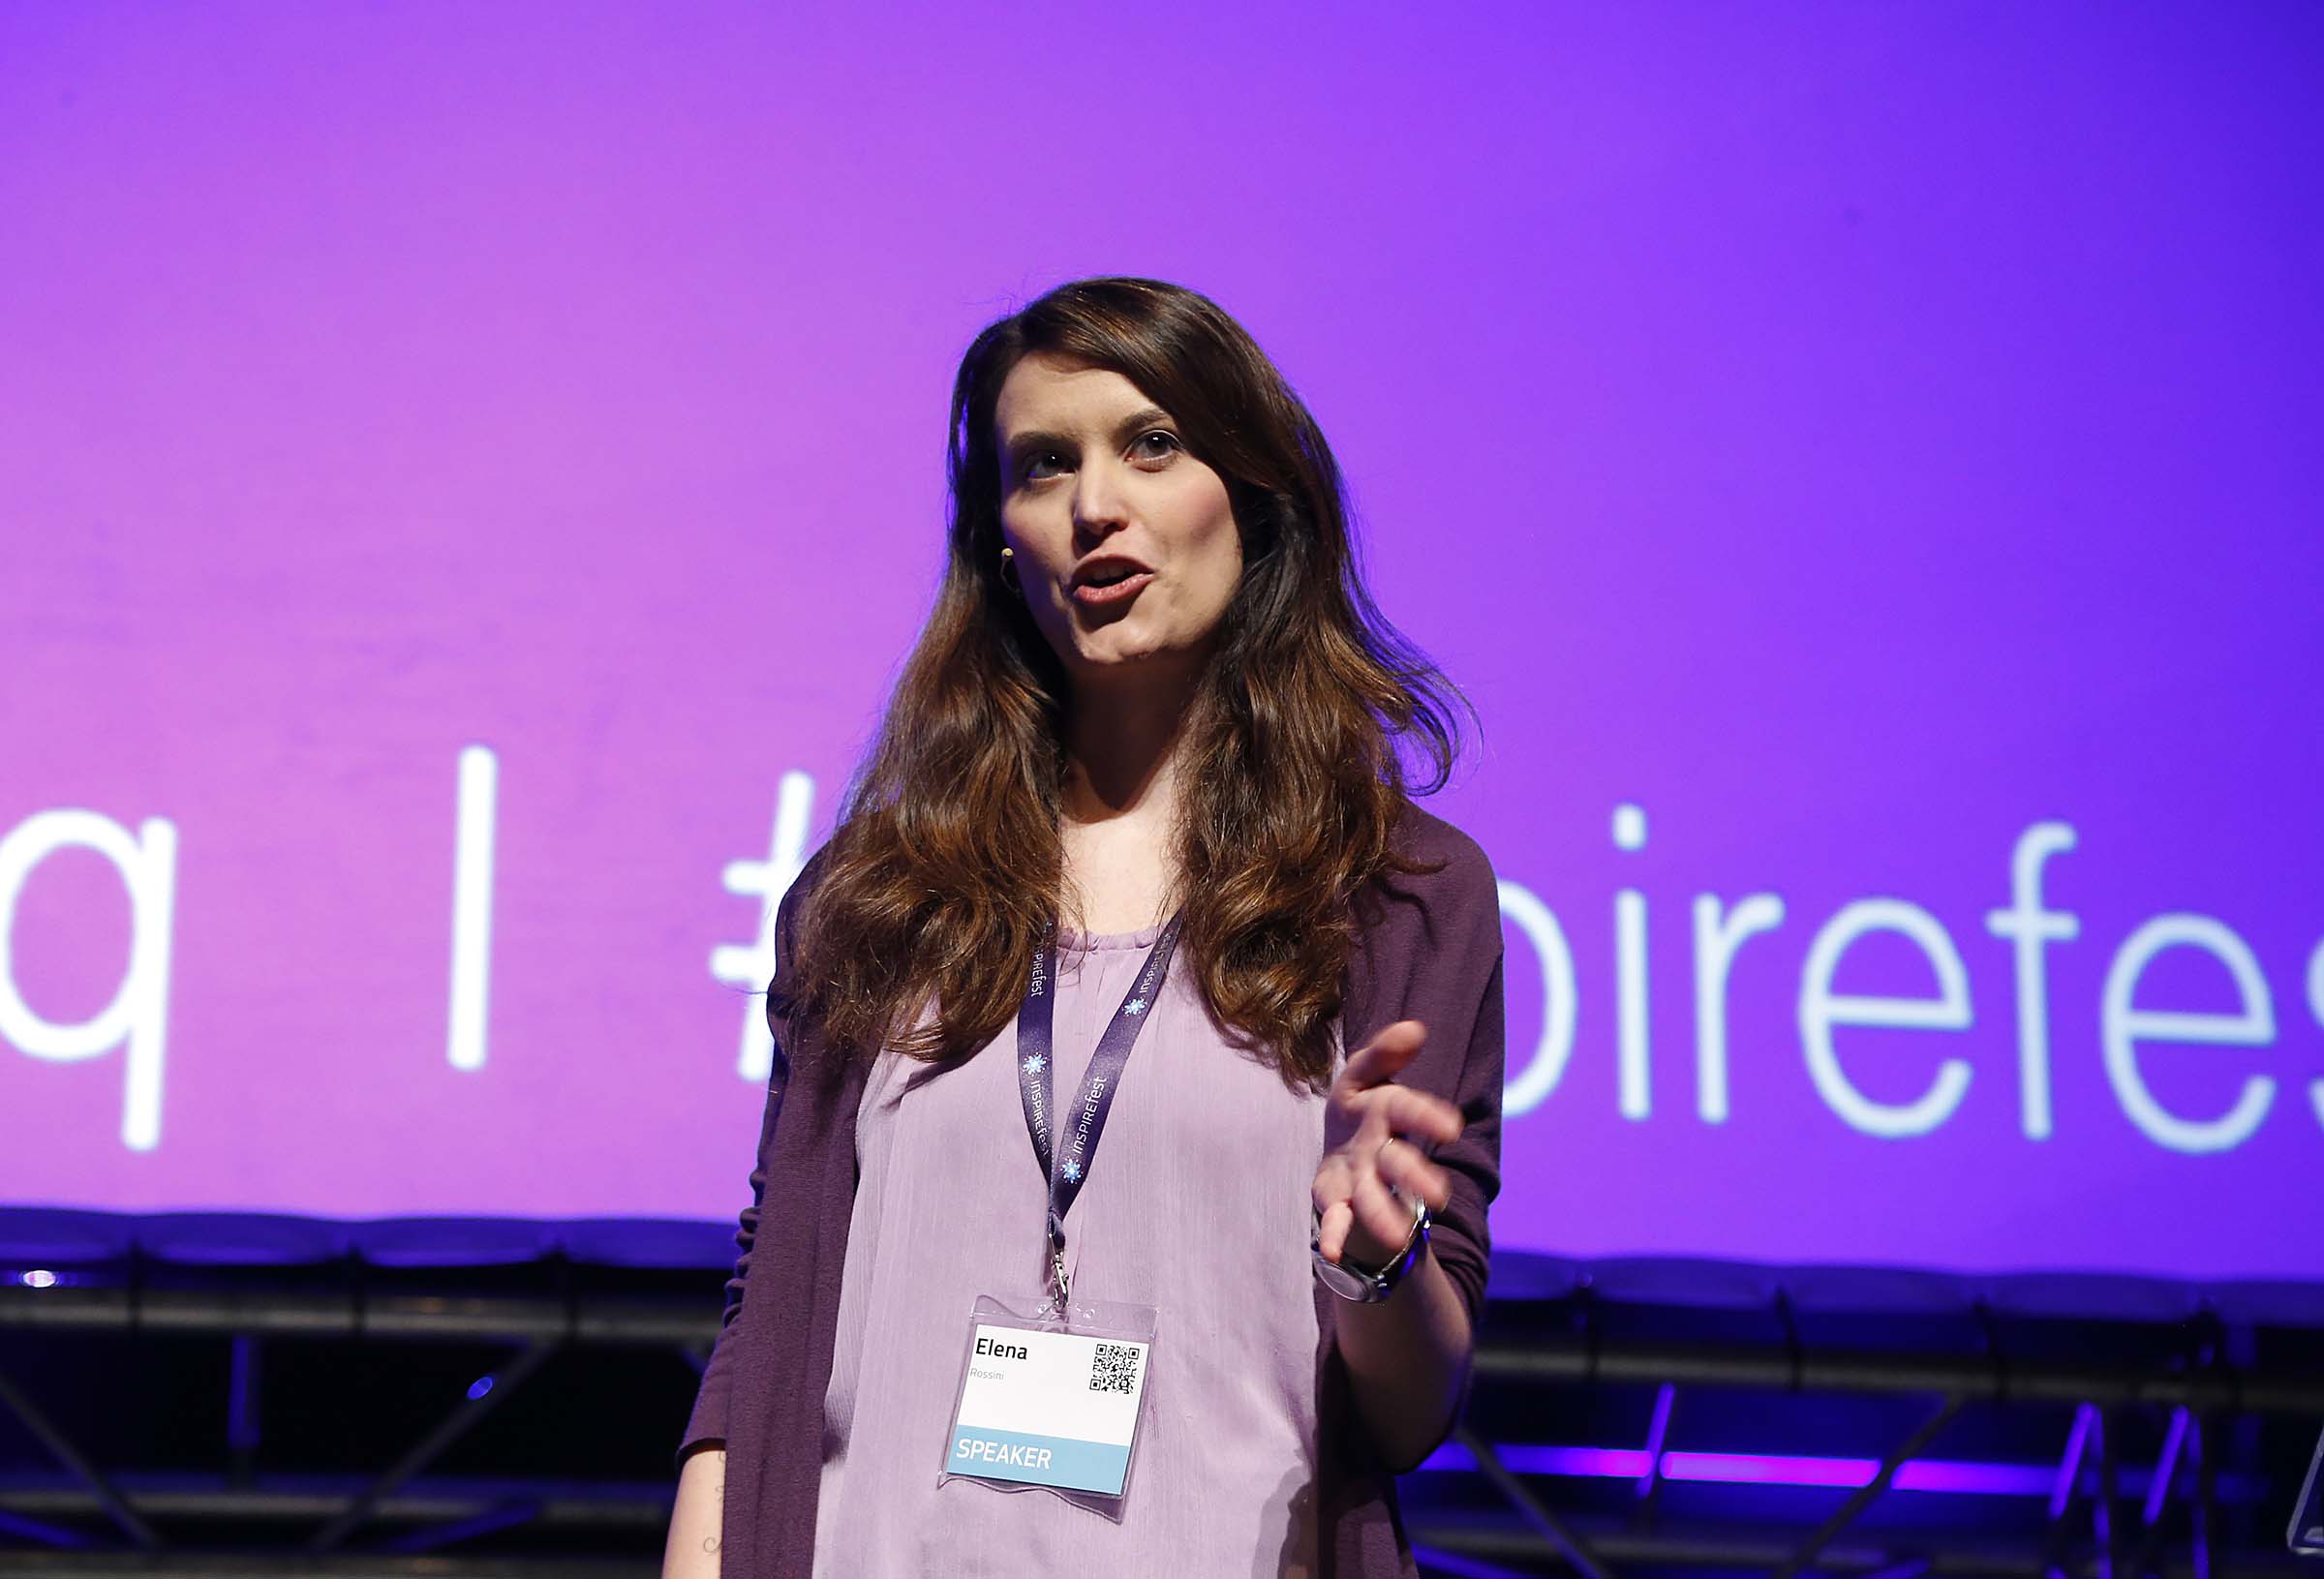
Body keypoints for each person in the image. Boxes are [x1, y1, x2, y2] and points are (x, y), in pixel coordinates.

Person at [661, 277, 1506, 1578]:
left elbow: (1407, 1418)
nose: (1094, 506)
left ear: (1257, 495)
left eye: (1151, 445)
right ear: (1005, 542)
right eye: (1044, 467)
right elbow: (772, 1308)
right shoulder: (875, 901)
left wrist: (1377, 1261)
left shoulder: (1399, 895)